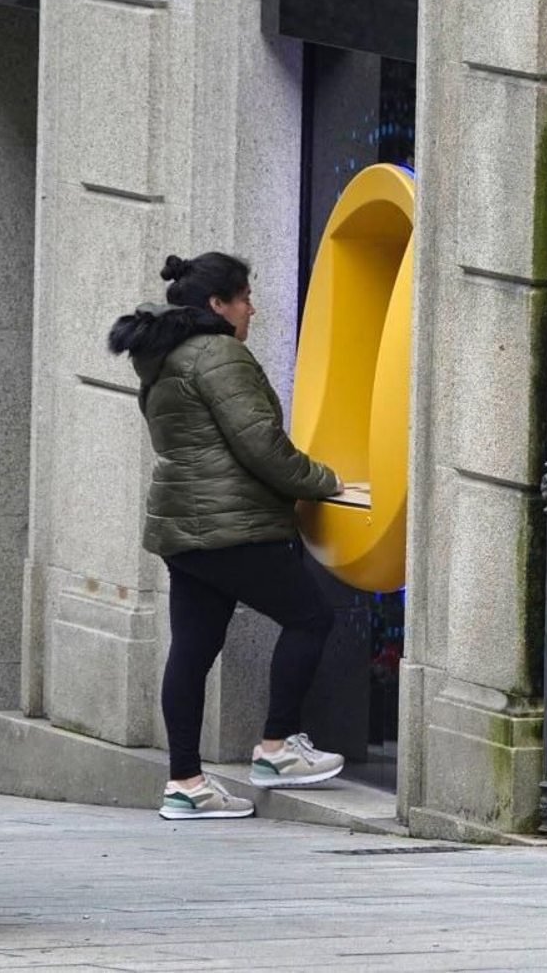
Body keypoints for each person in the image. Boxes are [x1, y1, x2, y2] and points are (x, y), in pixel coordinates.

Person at [109, 252, 348, 821]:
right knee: (311, 616)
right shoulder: (219, 355)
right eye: (243, 297)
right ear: (217, 304)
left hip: (182, 529)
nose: (252, 308)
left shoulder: (162, 358)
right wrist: (325, 481)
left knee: (192, 650)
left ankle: (185, 783)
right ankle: (278, 746)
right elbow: (261, 445)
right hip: (231, 527)